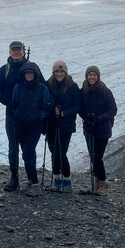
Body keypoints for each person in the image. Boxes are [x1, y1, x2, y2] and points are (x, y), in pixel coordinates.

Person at [0, 41, 44, 191]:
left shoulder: (32, 67)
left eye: (19, 50)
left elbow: (42, 87)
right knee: (13, 146)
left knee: (28, 148)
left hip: (29, 116)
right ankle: (14, 177)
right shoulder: (4, 70)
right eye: (14, 50)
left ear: (23, 51)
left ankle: (31, 178)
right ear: (9, 52)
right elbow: (0, 92)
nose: (16, 52)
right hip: (12, 114)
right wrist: (10, 103)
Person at [10, 62, 51, 197]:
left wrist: (40, 117)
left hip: (35, 125)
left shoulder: (42, 88)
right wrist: (17, 115)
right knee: (27, 152)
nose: (28, 75)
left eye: (31, 73)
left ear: (35, 74)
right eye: (26, 73)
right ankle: (31, 180)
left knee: (28, 151)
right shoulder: (18, 87)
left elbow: (46, 105)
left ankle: (35, 183)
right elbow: (14, 102)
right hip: (21, 124)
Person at [78, 65, 118, 196]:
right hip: (89, 129)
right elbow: (80, 107)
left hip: (102, 129)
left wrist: (98, 118)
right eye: (90, 75)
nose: (92, 77)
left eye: (94, 75)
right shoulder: (83, 91)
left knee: (97, 157)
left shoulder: (105, 91)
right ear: (87, 76)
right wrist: (86, 117)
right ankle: (96, 183)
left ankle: (103, 182)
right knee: (93, 156)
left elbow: (113, 110)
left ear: (98, 76)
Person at [45, 60, 81, 192]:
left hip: (66, 125)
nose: (59, 74)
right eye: (57, 71)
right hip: (52, 124)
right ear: (53, 72)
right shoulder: (48, 85)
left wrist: (63, 112)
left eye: (61, 71)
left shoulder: (72, 86)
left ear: (65, 72)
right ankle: (57, 178)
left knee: (61, 152)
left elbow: (77, 106)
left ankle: (66, 179)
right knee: (53, 152)